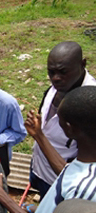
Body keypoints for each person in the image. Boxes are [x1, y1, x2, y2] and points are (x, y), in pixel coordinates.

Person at [0, 86, 96, 213]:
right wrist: (39, 135)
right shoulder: (88, 162)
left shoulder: (85, 188)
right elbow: (68, 174)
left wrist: (2, 196)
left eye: (60, 120)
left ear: (70, 129)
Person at [24, 41, 96, 200]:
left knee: (53, 209)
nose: (55, 79)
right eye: (51, 72)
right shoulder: (61, 85)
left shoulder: (89, 104)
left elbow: (72, 172)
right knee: (42, 197)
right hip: (40, 165)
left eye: (63, 72)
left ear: (82, 64)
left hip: (59, 179)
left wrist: (39, 136)